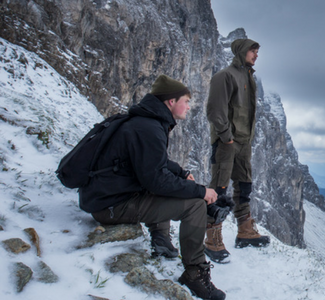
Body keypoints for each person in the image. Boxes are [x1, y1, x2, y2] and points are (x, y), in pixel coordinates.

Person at [79, 75, 225, 300]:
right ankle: (195, 273)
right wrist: (201, 192)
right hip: (111, 206)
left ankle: (161, 240)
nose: (189, 106)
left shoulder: (144, 121)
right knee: (195, 205)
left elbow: (154, 162)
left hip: (104, 197)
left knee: (169, 184)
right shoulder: (149, 127)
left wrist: (182, 172)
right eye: (185, 100)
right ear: (170, 102)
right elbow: (156, 180)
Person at [205, 38, 270, 263]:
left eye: (257, 51)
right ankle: (212, 238)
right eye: (253, 51)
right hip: (227, 143)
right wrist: (227, 138)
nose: (256, 55)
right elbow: (215, 110)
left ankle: (245, 231)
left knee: (244, 185)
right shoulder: (226, 76)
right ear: (242, 51)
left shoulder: (248, 76)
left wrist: (243, 140)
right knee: (219, 189)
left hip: (244, 142)